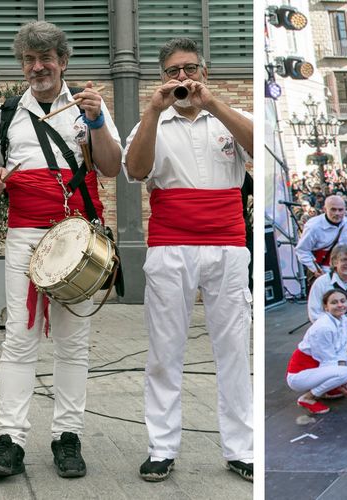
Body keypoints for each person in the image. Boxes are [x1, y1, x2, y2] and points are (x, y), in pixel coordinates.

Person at [0, 21, 122, 479]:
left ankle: (68, 437)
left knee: (71, 343)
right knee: (19, 339)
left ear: (63, 61)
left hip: (75, 235)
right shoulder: (5, 113)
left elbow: (112, 166)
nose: (37, 67)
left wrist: (98, 121)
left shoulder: (88, 106)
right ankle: (10, 440)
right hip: (25, 235)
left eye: (46, 59)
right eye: (28, 60)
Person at [124, 38, 254, 481]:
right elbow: (137, 171)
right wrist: (151, 113)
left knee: (234, 347)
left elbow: (258, 149)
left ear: (204, 71)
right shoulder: (152, 122)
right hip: (170, 245)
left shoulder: (228, 117)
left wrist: (214, 104)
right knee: (164, 350)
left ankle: (241, 447)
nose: (183, 78)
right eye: (173, 71)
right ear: (162, 78)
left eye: (191, 68)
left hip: (227, 245)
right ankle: (161, 447)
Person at [288, 290, 347, 415]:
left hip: (320, 366)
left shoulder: (344, 320)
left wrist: (342, 381)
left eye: (342, 301)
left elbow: (341, 351)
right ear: (326, 307)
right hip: (300, 375)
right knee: (346, 372)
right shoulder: (323, 327)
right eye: (334, 302)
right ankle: (308, 397)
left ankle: (328, 389)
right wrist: (344, 381)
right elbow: (327, 361)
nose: (340, 305)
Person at [296, 195, 347, 277]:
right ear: (325, 209)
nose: (337, 213)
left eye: (340, 210)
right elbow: (302, 250)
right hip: (325, 271)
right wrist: (315, 269)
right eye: (333, 210)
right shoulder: (314, 226)